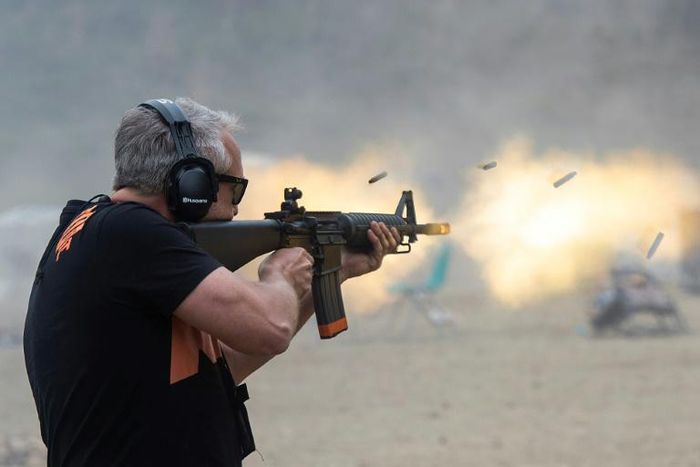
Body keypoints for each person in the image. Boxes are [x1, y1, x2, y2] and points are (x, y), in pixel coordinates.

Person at [23, 98, 401, 466]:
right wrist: (280, 274)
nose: (236, 208)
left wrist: (336, 271)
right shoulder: (131, 234)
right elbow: (271, 327)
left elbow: (219, 368)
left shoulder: (105, 234)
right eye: (233, 188)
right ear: (192, 183)